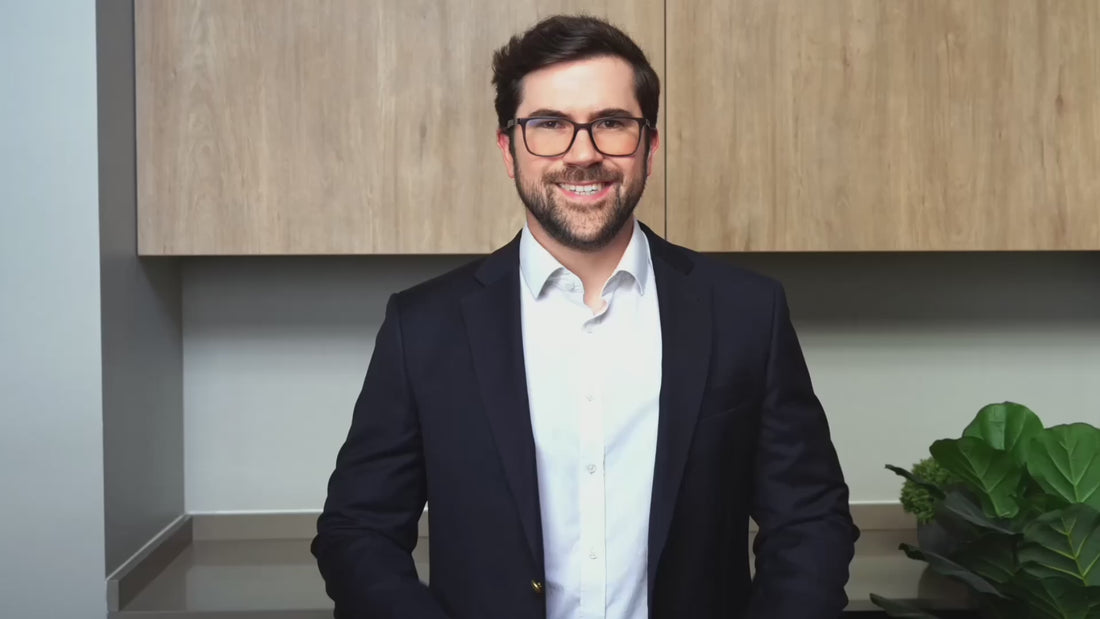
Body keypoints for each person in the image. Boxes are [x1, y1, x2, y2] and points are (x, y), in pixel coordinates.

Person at [313, 14, 858, 619]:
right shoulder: (423, 327)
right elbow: (357, 532)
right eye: (549, 125)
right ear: (508, 149)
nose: (583, 153)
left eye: (611, 123)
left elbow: (809, 519)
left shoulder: (745, 312)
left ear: (649, 146)